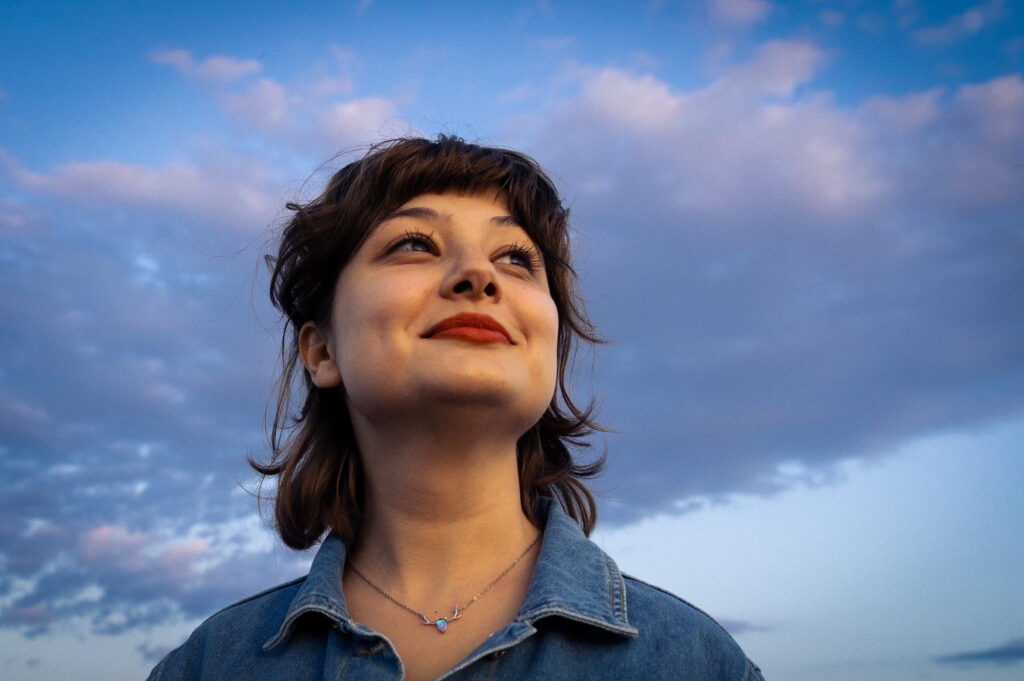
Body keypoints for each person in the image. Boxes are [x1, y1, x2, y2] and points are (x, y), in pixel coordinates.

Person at [147, 136, 765, 681]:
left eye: (516, 258)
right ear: (321, 349)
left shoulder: (701, 665)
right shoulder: (207, 667)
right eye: (415, 244)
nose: (478, 274)